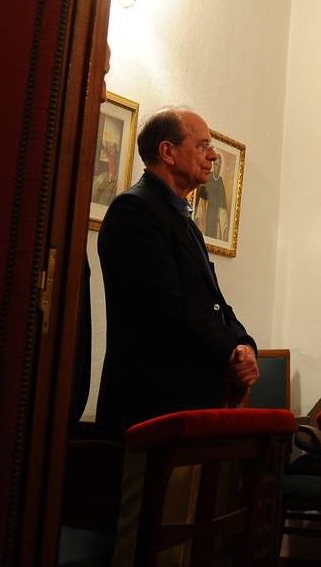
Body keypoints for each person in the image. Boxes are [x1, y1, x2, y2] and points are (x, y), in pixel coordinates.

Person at [96, 106, 259, 434]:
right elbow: (166, 304)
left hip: (194, 401)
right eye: (202, 146)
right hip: (153, 404)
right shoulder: (135, 211)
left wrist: (244, 344)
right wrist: (229, 349)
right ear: (167, 152)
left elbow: (214, 302)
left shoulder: (186, 222)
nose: (212, 156)